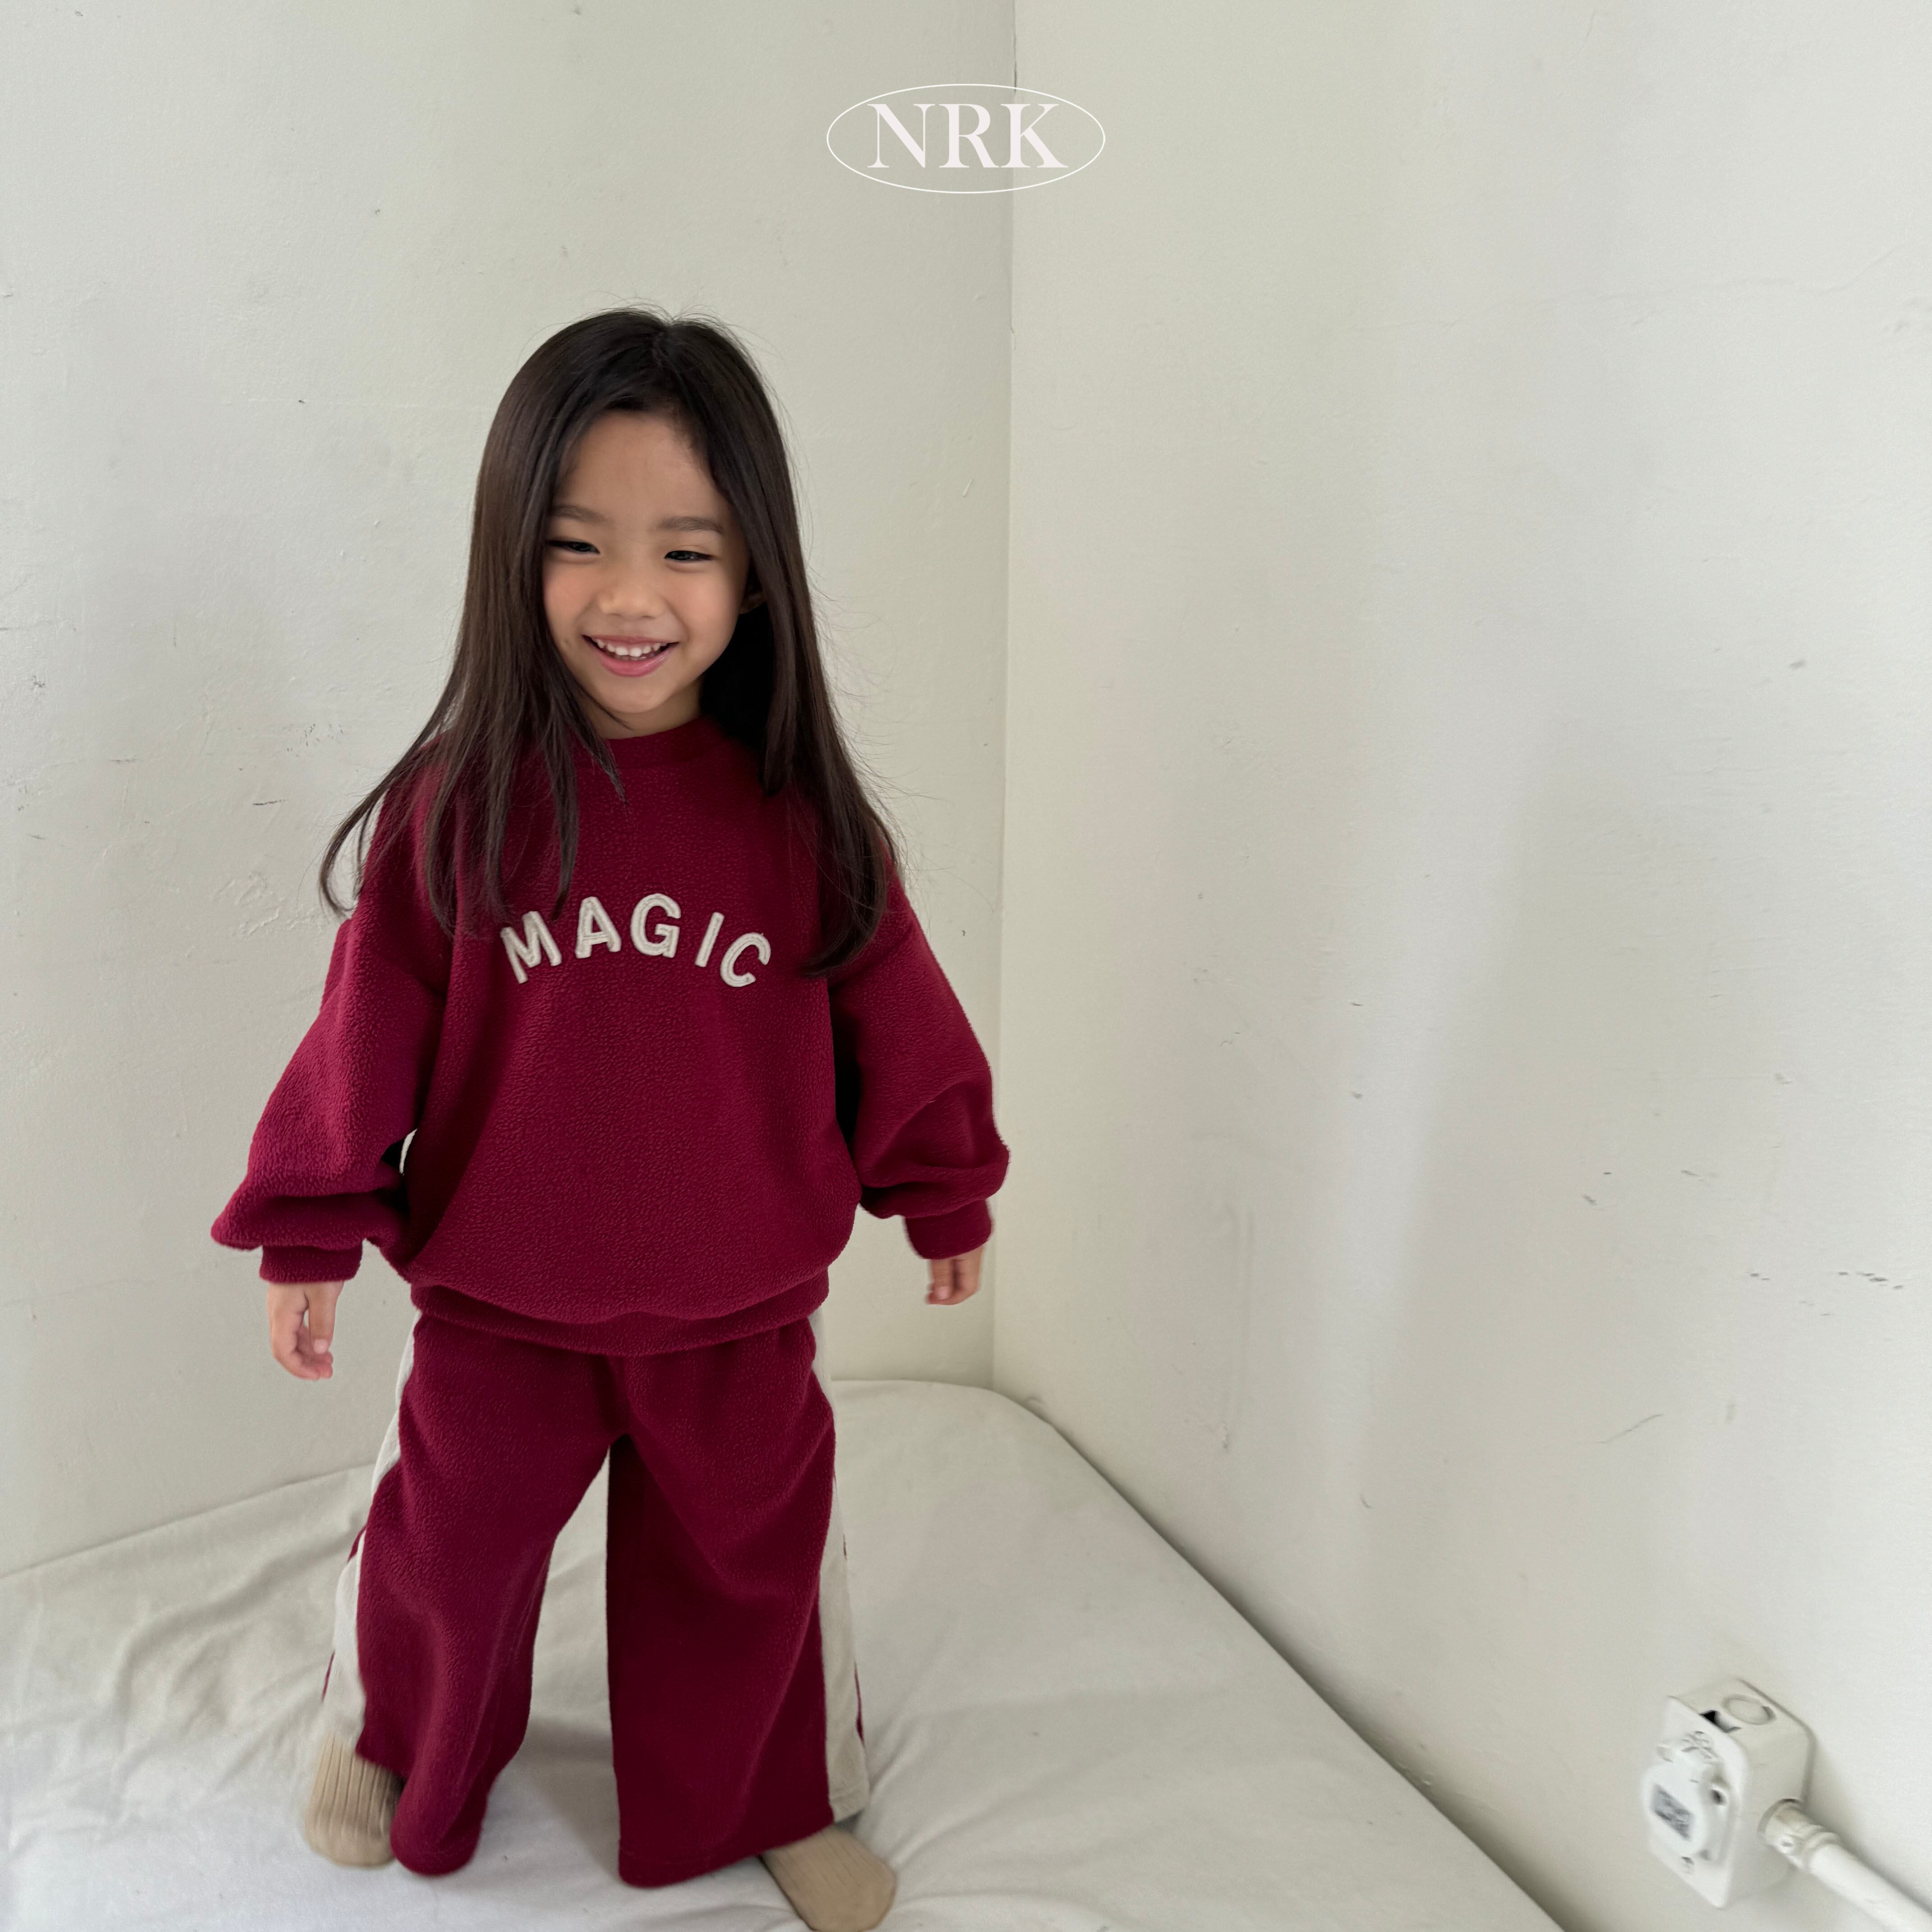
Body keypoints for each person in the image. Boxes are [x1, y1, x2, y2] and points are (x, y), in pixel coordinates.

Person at [209, 306, 1010, 1932]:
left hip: (737, 1314)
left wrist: (944, 1188)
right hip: (498, 1310)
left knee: (749, 1573)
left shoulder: (803, 824)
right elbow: (364, 1033)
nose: (630, 595)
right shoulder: (461, 808)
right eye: (578, 544)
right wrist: (308, 1226)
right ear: (513, 558)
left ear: (755, 576)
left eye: (685, 551)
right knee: (445, 1555)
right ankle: (396, 1738)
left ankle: (767, 1794)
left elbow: (900, 1019)